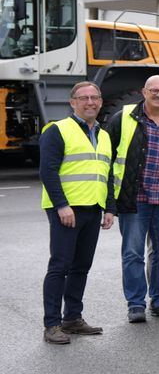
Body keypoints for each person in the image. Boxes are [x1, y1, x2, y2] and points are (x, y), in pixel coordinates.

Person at [108, 75, 159, 323]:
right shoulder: (123, 118)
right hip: (135, 199)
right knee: (133, 253)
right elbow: (107, 156)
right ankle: (135, 304)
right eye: (153, 90)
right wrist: (110, 201)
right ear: (144, 92)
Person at [39, 81, 114, 344]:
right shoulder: (58, 130)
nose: (90, 102)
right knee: (60, 266)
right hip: (66, 210)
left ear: (101, 102)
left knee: (81, 266)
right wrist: (61, 205)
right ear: (73, 102)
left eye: (95, 97)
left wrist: (109, 208)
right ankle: (52, 325)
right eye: (84, 98)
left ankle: (72, 318)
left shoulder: (103, 135)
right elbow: (47, 171)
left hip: (93, 208)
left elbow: (107, 173)